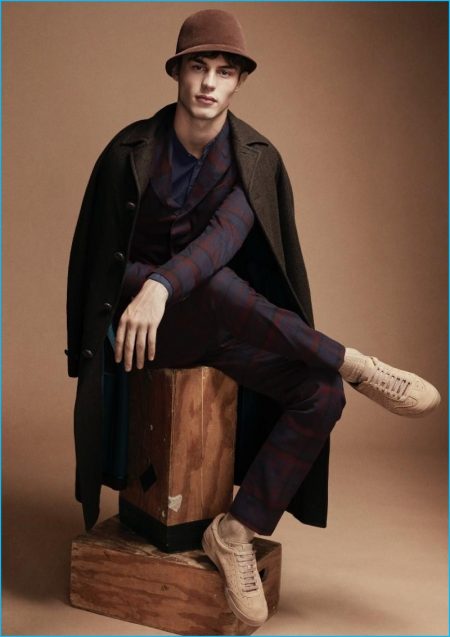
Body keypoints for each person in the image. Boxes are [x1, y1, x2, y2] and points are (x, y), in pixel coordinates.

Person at [66, 9, 441, 627]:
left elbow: (224, 237)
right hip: (144, 334)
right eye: (198, 67)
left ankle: (236, 532)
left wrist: (165, 282)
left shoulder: (256, 158)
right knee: (216, 285)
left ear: (239, 81)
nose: (209, 83)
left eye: (224, 71)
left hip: (221, 323)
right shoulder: (128, 151)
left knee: (320, 393)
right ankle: (354, 361)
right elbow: (95, 262)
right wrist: (148, 291)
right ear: (177, 73)